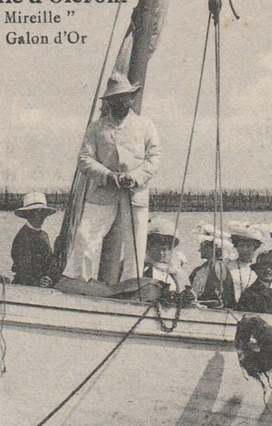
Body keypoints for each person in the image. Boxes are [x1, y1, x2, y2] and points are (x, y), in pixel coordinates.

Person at [63, 71, 161, 284]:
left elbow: (154, 159)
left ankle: (132, 285)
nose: (119, 102)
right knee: (85, 236)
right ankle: (81, 282)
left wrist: (134, 177)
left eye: (123, 97)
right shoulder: (96, 128)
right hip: (103, 191)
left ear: (131, 99)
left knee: (135, 242)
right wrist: (109, 176)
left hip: (135, 192)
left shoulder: (146, 126)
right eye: (114, 99)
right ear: (108, 102)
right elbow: (84, 158)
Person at [11, 192, 58, 287]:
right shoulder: (22, 238)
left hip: (45, 285)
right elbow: (23, 269)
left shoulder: (44, 235)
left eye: (43, 213)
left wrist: (50, 278)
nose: (41, 216)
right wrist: (38, 282)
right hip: (26, 286)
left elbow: (49, 263)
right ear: (27, 214)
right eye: (36, 212)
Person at [189, 223, 235, 308]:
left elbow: (223, 296)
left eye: (202, 246)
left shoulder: (219, 266)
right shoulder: (200, 269)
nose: (199, 250)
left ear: (212, 248)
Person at [142, 217, 187, 291]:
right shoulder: (142, 268)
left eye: (165, 250)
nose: (161, 253)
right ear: (148, 247)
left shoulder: (175, 270)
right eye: (157, 249)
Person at [224, 222, 265, 303]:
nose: (245, 250)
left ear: (255, 247)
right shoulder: (228, 265)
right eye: (241, 246)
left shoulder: (261, 267)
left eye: (249, 246)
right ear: (236, 247)